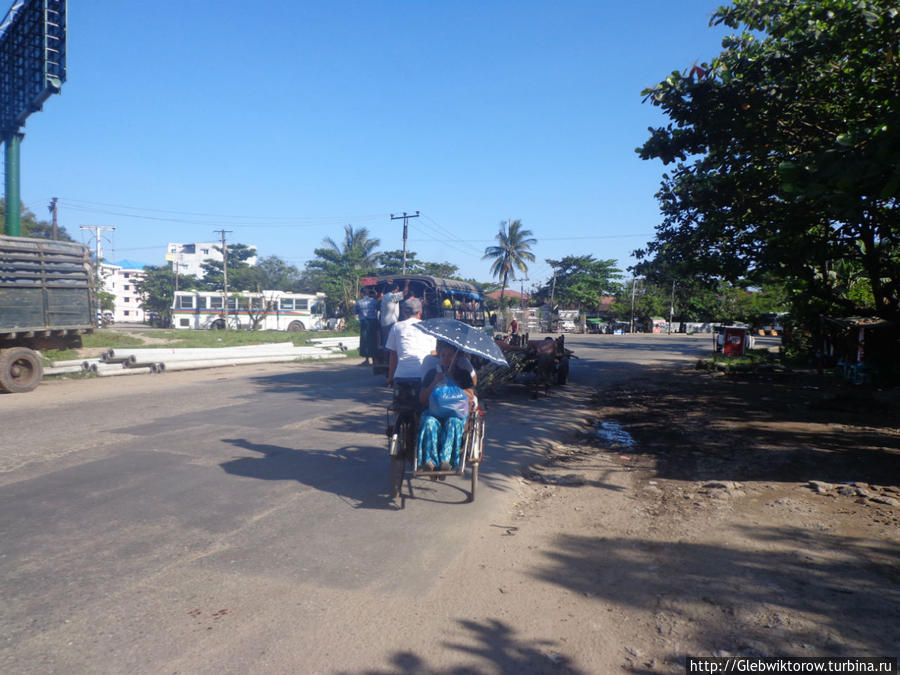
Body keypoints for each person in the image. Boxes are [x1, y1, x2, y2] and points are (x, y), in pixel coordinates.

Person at [417, 341, 476, 473]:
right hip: (434, 414)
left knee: (453, 422)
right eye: (443, 355)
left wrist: (453, 382)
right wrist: (435, 382)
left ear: (456, 357)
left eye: (450, 355)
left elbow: (470, 396)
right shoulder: (432, 374)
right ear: (439, 357)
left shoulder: (464, 374)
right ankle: (430, 461)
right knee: (429, 422)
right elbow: (422, 398)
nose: (446, 358)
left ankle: (446, 460)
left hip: (456, 415)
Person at [385, 297, 436, 386]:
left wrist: (390, 377)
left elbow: (393, 355)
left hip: (402, 375)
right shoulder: (429, 327)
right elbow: (433, 353)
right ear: (420, 312)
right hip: (424, 376)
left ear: (404, 312)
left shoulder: (396, 327)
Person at [354, 289, 379, 365]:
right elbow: (379, 308)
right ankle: (375, 359)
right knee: (373, 340)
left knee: (365, 340)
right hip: (373, 322)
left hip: (364, 322)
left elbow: (355, 311)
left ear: (362, 293)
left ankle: (367, 359)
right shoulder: (374, 301)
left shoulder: (359, 302)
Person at [380, 281, 406, 348]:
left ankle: (385, 357)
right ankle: (389, 357)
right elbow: (405, 293)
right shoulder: (392, 297)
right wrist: (407, 283)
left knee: (385, 342)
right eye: (397, 289)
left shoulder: (385, 296)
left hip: (384, 322)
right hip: (391, 323)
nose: (398, 291)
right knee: (391, 344)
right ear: (394, 290)